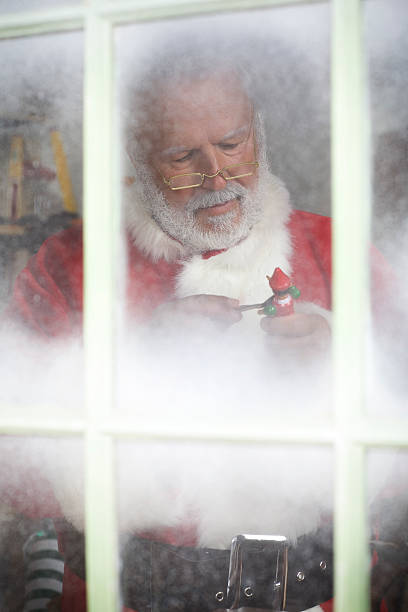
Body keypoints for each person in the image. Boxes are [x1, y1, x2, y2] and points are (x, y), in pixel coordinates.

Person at [4, 43, 398, 612]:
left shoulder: (339, 253)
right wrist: (130, 365)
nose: (217, 175)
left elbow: (397, 453)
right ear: (137, 159)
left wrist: (341, 373)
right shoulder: (66, 267)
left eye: (233, 143)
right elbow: (18, 476)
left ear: (258, 135)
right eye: (182, 155)